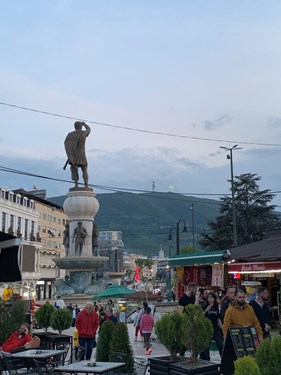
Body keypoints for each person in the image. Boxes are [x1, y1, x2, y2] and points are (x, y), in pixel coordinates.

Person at [64, 121, 91, 188]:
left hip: (74, 154)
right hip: (81, 153)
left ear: (74, 126)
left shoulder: (70, 134)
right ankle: (86, 185)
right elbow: (89, 129)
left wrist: (70, 155)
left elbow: (66, 144)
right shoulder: (83, 133)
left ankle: (76, 184)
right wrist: (85, 124)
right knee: (84, 168)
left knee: (73, 168)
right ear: (81, 126)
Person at [201, 292, 224, 360]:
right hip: (207, 328)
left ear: (214, 299)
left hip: (215, 328)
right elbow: (201, 316)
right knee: (206, 346)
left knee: (220, 344)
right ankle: (206, 360)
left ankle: (223, 359)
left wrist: (222, 328)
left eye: (211, 297)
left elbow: (218, 318)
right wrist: (206, 309)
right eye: (208, 297)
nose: (209, 299)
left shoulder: (216, 307)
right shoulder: (204, 306)